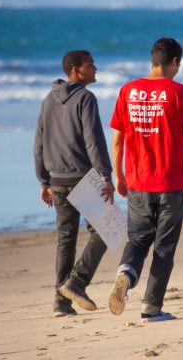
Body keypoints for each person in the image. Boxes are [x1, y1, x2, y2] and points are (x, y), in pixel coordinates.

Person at [108, 37, 183, 323]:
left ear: (153, 59)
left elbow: (117, 140)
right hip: (170, 182)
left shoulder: (127, 90)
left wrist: (119, 175)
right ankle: (151, 307)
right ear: (174, 61)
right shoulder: (178, 91)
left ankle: (125, 274)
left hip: (137, 180)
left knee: (138, 239)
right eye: (179, 64)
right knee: (164, 246)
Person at [34, 50, 115, 317]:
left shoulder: (48, 100)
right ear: (76, 70)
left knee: (65, 241)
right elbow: (94, 141)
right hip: (82, 177)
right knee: (108, 231)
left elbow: (39, 144)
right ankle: (77, 282)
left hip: (56, 179)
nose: (96, 69)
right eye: (91, 65)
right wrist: (106, 175)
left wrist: (43, 180)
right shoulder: (85, 98)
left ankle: (61, 303)